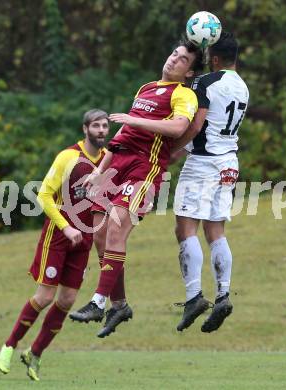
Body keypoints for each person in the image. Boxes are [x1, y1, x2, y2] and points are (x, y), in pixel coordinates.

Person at [69, 40, 204, 338]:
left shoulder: (184, 94)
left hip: (144, 168)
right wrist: (99, 171)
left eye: (182, 60)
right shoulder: (146, 88)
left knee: (116, 229)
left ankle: (97, 302)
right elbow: (123, 135)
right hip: (117, 165)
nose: (173, 60)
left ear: (189, 71)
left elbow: (180, 128)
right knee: (101, 237)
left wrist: (135, 119)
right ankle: (119, 305)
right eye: (173, 54)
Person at [0, 109, 109, 381]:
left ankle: (34, 354)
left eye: (105, 125)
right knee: (45, 297)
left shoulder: (108, 160)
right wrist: (65, 226)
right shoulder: (68, 156)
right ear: (85, 129)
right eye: (96, 125)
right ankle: (9, 345)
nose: (102, 130)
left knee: (68, 300)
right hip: (58, 235)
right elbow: (44, 196)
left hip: (84, 239)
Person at [173, 32, 249, 332]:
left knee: (184, 227)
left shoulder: (206, 83)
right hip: (229, 162)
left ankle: (193, 297)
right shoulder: (242, 87)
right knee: (215, 229)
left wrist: (172, 150)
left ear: (214, 59)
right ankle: (223, 294)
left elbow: (196, 124)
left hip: (204, 162)